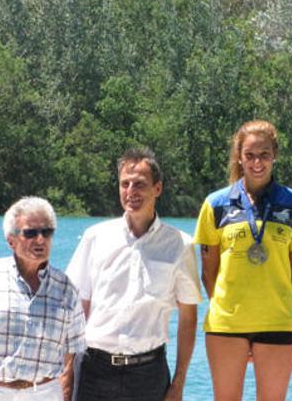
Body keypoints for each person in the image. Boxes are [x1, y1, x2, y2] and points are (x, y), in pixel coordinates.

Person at [194, 120, 292, 401]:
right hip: (225, 326)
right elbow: (208, 274)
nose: (257, 162)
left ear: (274, 155)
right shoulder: (215, 204)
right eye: (249, 155)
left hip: (277, 322)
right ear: (239, 156)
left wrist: (274, 307)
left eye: (263, 154)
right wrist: (230, 311)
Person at [66, 148, 201, 401]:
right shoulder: (96, 237)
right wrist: (66, 371)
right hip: (93, 370)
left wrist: (179, 383)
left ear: (157, 188)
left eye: (139, 184)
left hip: (148, 373)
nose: (131, 192)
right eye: (125, 184)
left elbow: (188, 317)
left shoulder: (180, 245)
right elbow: (76, 308)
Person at [0, 197, 85, 401]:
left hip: (45, 393)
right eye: (30, 233)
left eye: (47, 232)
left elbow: (73, 351)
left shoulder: (66, 288)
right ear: (11, 241)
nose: (40, 239)